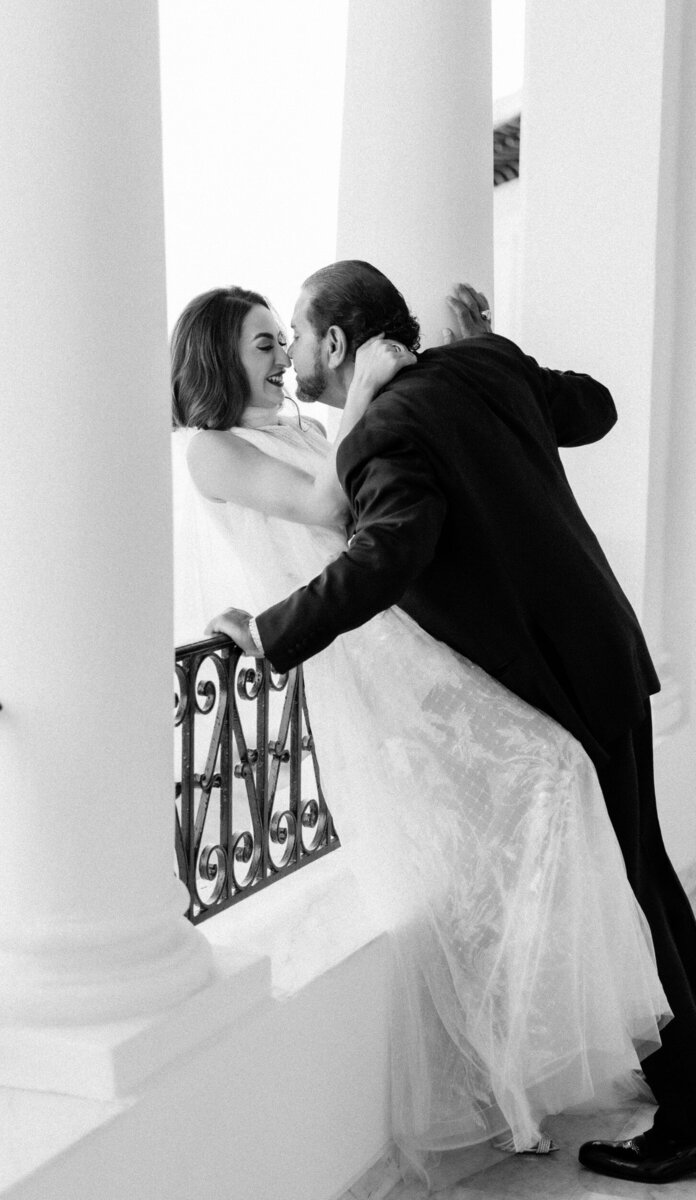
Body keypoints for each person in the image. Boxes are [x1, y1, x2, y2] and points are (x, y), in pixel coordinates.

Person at [205, 262, 696, 1186]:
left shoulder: (383, 431)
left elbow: (389, 552)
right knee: (647, 873)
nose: (293, 353)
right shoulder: (482, 366)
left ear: (335, 343)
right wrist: (490, 350)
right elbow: (594, 409)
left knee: (632, 886)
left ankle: (691, 1114)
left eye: (296, 335)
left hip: (555, 675)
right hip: (604, 648)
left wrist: (271, 634)